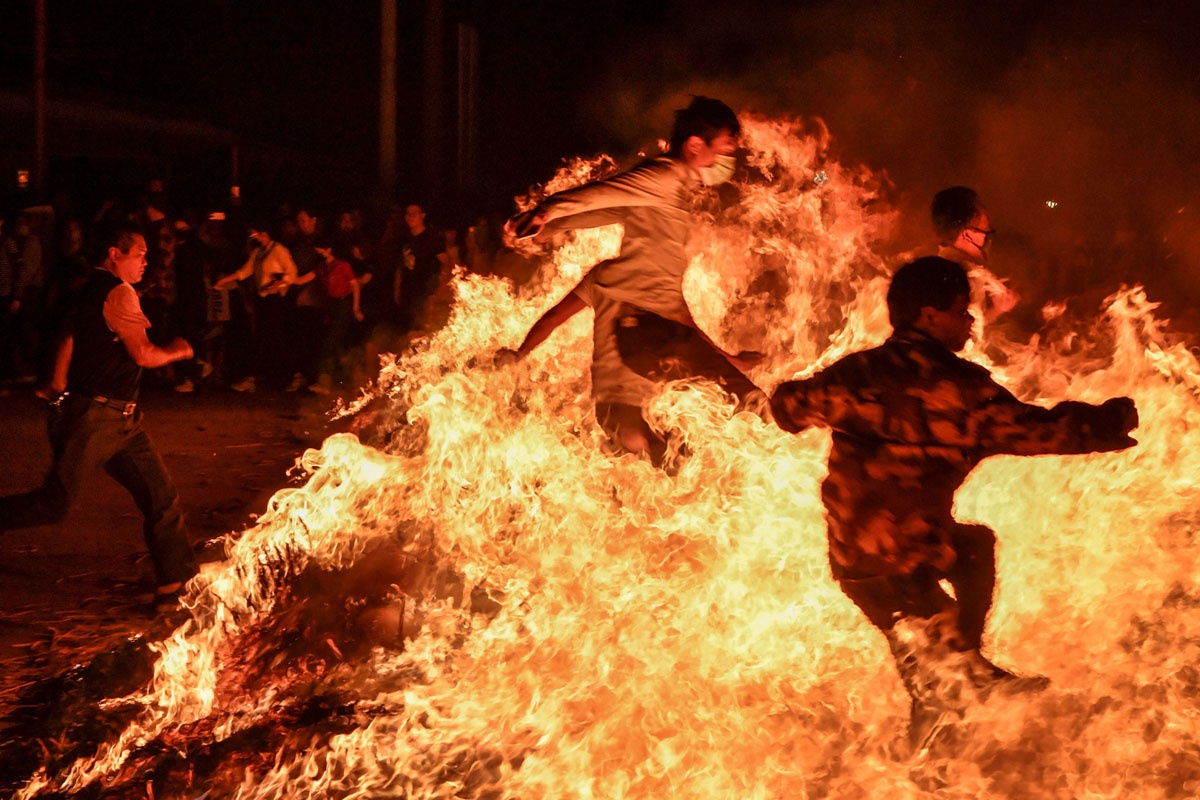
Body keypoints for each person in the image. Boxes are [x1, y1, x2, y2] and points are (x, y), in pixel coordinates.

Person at [769, 256, 1138, 748]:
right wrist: (1105, 424)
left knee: (930, 669)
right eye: (962, 310)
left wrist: (795, 395)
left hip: (854, 558)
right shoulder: (962, 388)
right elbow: (1038, 432)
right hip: (911, 556)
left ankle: (948, 705)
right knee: (970, 558)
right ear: (929, 316)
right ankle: (963, 680)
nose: (971, 321)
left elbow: (788, 409)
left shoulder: (859, 372)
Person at [499, 95, 760, 464]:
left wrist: (550, 227)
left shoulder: (672, 196)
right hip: (643, 336)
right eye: (725, 149)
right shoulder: (666, 176)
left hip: (654, 338)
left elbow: (610, 209)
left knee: (676, 450)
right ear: (696, 145)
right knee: (754, 411)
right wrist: (547, 212)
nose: (727, 161)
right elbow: (607, 192)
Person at [0, 221, 200, 611]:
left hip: (122, 419)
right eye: (139, 253)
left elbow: (69, 337)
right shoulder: (119, 293)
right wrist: (179, 351)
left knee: (160, 496)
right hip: (99, 417)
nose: (146, 260)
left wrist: (57, 383)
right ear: (115, 254)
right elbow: (143, 355)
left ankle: (175, 585)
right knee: (54, 503)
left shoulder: (87, 286)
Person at [213, 222, 298, 392]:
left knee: (270, 339)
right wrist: (225, 280)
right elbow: (245, 271)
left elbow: (292, 271)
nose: (253, 238)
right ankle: (277, 377)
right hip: (263, 301)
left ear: (264, 233)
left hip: (275, 301)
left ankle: (267, 377)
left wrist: (280, 284)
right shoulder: (259, 253)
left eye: (254, 234)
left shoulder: (278, 250)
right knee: (266, 338)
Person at [931, 186, 1019, 326]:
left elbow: (972, 327)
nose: (989, 241)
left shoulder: (965, 269)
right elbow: (958, 337)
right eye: (986, 233)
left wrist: (997, 309)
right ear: (967, 234)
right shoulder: (956, 277)